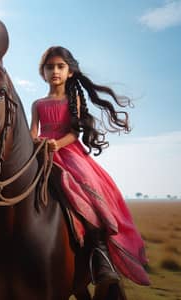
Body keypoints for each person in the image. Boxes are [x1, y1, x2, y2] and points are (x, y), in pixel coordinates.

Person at [29, 46, 150, 286]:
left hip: (69, 152)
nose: (55, 71)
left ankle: (100, 251)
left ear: (70, 72)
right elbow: (34, 131)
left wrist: (56, 145)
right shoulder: (37, 103)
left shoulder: (71, 99)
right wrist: (36, 144)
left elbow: (74, 133)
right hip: (42, 152)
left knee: (88, 194)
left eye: (60, 66)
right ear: (42, 73)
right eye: (50, 67)